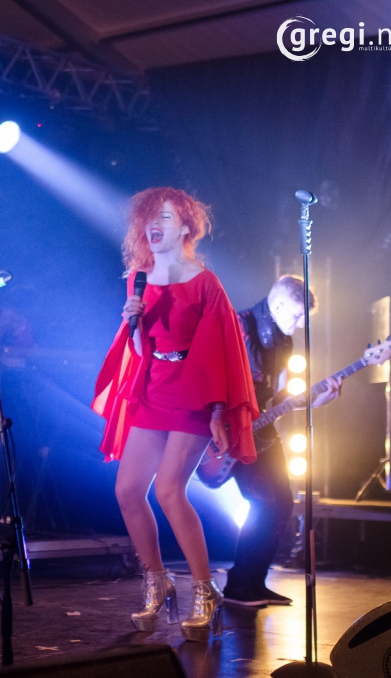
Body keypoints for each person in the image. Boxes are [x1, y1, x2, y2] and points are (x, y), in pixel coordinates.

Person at [91, 187, 259, 642]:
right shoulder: (138, 278)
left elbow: (223, 351)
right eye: (149, 217)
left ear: (186, 226)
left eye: (164, 216)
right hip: (153, 389)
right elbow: (140, 348)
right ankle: (156, 580)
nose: (154, 224)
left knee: (168, 490)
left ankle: (205, 591)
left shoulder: (205, 282)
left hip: (194, 393)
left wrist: (218, 412)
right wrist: (132, 322)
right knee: (127, 490)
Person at [222, 275, 341, 607]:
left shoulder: (284, 342)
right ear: (277, 304)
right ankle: (237, 586)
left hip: (262, 429)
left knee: (283, 504)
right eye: (297, 315)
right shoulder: (239, 326)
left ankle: (253, 582)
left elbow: (279, 398)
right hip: (231, 428)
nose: (301, 324)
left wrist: (316, 400)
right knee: (264, 502)